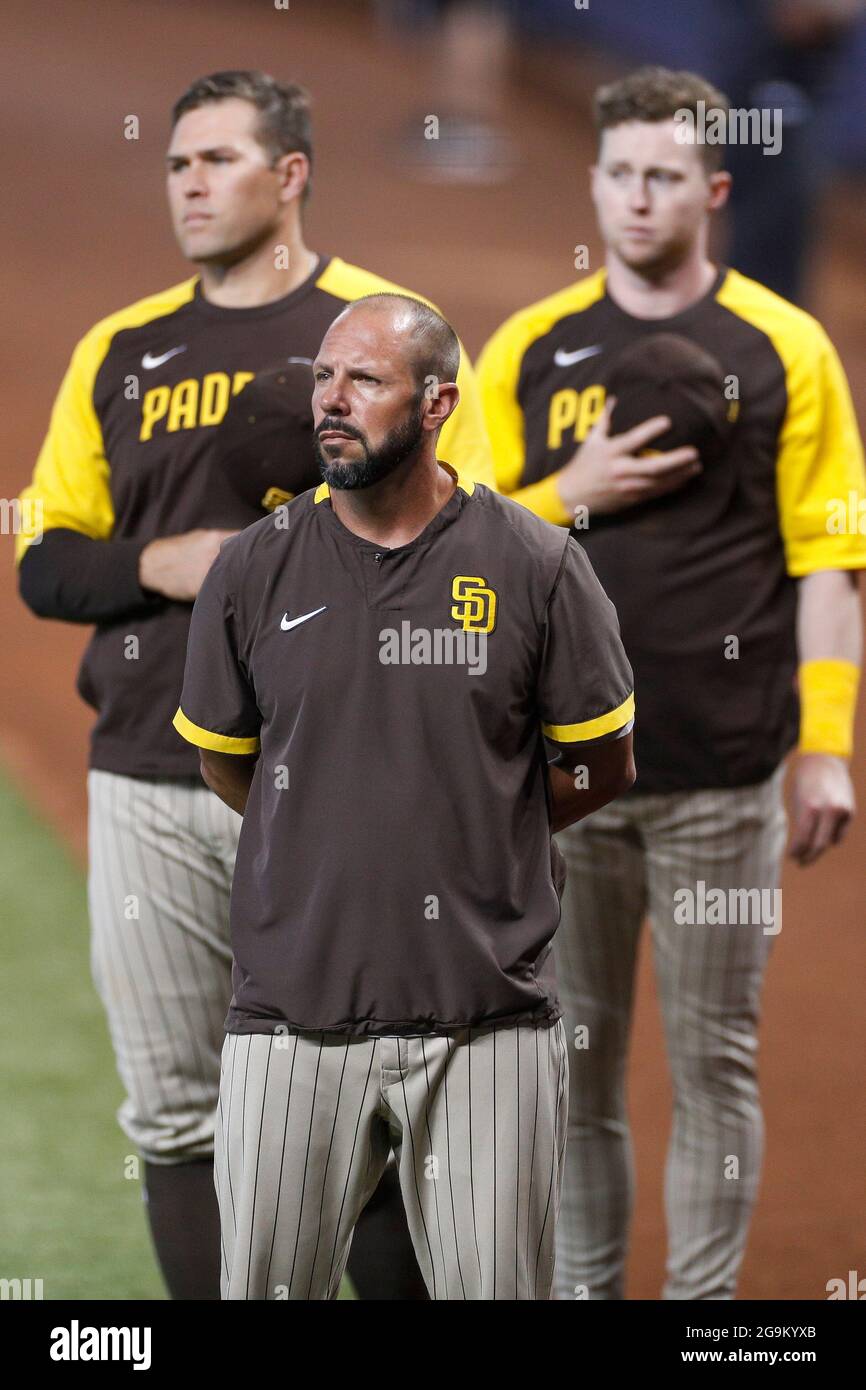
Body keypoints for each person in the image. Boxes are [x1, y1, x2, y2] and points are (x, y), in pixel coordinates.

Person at [15, 69, 494, 1301]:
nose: (188, 183)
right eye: (177, 163)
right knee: (178, 1112)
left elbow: (474, 545)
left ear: (289, 176)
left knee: (366, 1114)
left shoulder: (386, 332)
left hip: (332, 788)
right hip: (147, 775)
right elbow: (46, 557)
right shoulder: (120, 350)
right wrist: (156, 562)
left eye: (218, 160)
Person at [476, 65, 865, 1299]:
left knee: (714, 1063)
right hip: (566, 785)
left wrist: (824, 743)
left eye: (661, 178)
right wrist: (564, 496)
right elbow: (454, 558)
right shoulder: (529, 348)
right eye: (617, 176)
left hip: (722, 777)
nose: (636, 201)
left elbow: (825, 563)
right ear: (591, 182)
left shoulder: (785, 346)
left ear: (711, 188)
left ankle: (703, 1320)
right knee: (575, 1073)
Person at [173, 292, 636, 1300]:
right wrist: (332, 821)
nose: (330, 403)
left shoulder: (537, 565)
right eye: (324, 378)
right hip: (289, 1014)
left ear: (435, 405)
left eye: (364, 381)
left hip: (486, 1019)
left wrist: (476, 825)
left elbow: (600, 763)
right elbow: (225, 758)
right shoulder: (252, 569)